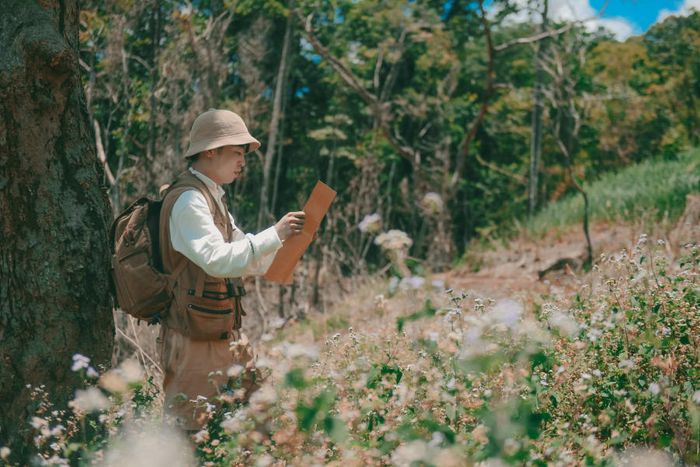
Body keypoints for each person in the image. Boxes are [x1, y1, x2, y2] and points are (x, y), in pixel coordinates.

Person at [157, 108, 305, 431]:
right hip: (192, 341)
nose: (243, 161)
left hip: (223, 335)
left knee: (260, 422)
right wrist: (276, 234)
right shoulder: (188, 201)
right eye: (237, 152)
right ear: (210, 151)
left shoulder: (212, 197)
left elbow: (243, 255)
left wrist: (287, 250)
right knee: (190, 438)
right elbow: (218, 259)